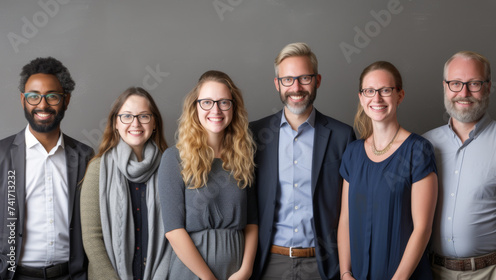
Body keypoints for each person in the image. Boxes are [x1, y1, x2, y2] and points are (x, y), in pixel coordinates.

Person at [250, 42, 356, 280]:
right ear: (277, 84)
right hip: (268, 263)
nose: (296, 87)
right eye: (287, 79)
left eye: (304, 78)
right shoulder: (255, 135)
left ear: (317, 80)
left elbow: (350, 211)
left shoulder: (343, 136)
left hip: (323, 265)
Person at [337, 61, 438, 279]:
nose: (377, 98)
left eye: (385, 90)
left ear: (400, 95)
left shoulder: (418, 150)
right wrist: (345, 273)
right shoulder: (353, 153)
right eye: (370, 91)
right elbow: (345, 220)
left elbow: (423, 228)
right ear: (361, 97)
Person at [158, 70, 258, 280]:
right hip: (192, 274)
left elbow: (252, 222)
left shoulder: (243, 158)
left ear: (233, 107)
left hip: (236, 273)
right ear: (195, 107)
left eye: (223, 102)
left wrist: (246, 271)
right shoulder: (174, 158)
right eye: (207, 102)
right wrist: (208, 278)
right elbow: (173, 230)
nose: (216, 109)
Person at [0, 57, 94, 280]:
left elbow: (95, 225)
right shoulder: (2, 155)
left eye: (52, 96)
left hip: (71, 276)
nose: (42, 105)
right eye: (34, 96)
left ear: (66, 100)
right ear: (23, 100)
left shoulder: (85, 157)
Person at [423, 51, 496, 279]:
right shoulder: (424, 144)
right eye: (456, 83)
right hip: (432, 271)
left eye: (474, 83)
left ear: (487, 87)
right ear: (445, 87)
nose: (463, 93)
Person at [80, 87, 169, 279]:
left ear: (154, 123)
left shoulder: (170, 168)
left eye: (144, 116)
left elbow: (177, 232)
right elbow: (91, 237)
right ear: (115, 123)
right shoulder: (97, 169)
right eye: (127, 116)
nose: (135, 123)